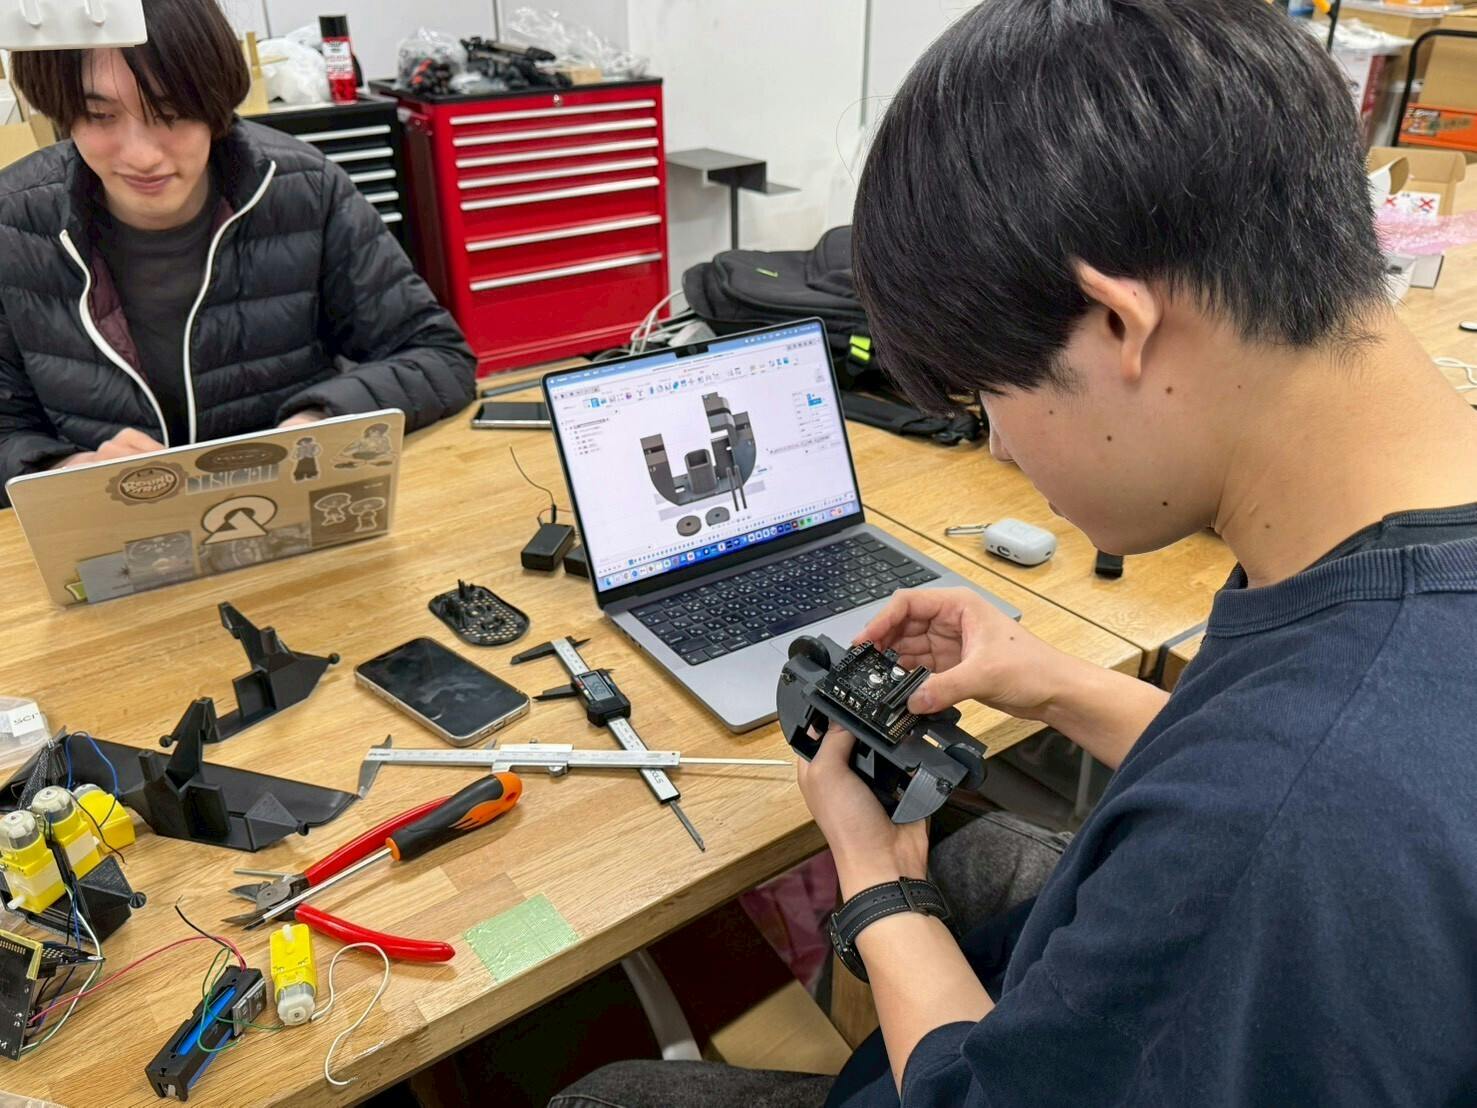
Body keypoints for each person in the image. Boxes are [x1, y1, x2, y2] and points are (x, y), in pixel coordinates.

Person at [553, 0, 1477, 1105]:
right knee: (989, 857)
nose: (996, 441)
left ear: (1118, 325)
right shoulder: (1369, 558)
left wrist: (872, 880)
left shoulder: (1282, 824)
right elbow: (1248, 754)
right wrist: (1052, 682)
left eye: (988, 394)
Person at [0, 0, 476, 505]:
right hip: (110, 527)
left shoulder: (304, 190)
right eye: (100, 115)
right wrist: (66, 468)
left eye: (171, 113)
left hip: (293, 508)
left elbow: (437, 356)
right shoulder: (13, 225)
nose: (141, 155)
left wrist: (320, 420)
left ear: (213, 101)